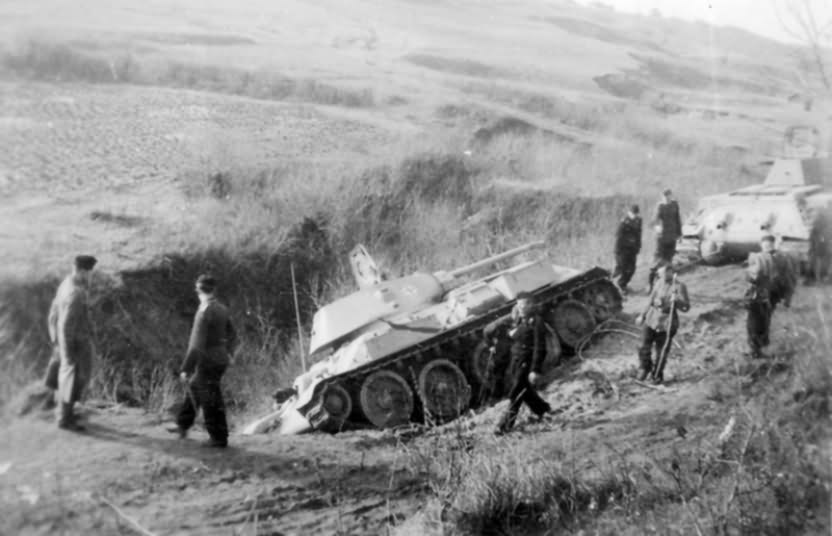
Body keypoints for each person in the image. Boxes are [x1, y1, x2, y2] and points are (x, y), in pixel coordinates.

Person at [168, 274, 236, 448]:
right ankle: (182, 425)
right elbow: (233, 335)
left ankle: (219, 438)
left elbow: (196, 346)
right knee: (195, 387)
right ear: (214, 290)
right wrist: (230, 353)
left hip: (208, 361)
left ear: (199, 291)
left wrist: (186, 368)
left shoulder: (203, 312)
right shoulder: (222, 308)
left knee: (210, 399)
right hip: (220, 359)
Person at [483, 291, 551, 435]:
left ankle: (504, 426)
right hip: (516, 362)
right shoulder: (519, 320)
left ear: (532, 305)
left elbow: (540, 347)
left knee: (516, 393)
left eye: (525, 304)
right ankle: (542, 409)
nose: (521, 307)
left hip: (525, 362)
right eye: (519, 305)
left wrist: (535, 369)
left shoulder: (537, 321)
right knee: (524, 390)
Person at [47, 254, 97, 431]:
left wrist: (55, 340)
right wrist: (68, 354)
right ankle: (64, 419)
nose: (91, 276)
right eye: (90, 272)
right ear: (83, 271)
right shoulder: (75, 294)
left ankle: (63, 413)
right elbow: (67, 326)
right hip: (74, 344)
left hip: (63, 341)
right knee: (74, 379)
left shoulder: (66, 283)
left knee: (66, 378)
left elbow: (53, 313)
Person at [637, 265, 690, 384]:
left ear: (671, 272)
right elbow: (650, 301)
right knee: (643, 345)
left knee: (662, 351)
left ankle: (657, 375)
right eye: (660, 274)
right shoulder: (658, 283)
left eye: (663, 273)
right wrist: (642, 315)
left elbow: (686, 307)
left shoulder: (680, 286)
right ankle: (645, 368)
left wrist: (677, 300)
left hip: (667, 323)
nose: (661, 276)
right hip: (652, 319)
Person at [745, 235, 776, 359]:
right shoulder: (773, 257)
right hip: (766, 295)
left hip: (757, 296)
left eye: (767, 244)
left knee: (754, 323)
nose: (766, 246)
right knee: (762, 322)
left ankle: (756, 351)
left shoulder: (759, 257)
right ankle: (758, 349)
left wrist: (748, 273)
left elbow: (754, 277)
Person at [648, 189, 683, 292]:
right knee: (658, 261)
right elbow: (654, 222)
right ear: (662, 197)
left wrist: (680, 234)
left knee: (669, 261)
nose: (667, 198)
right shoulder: (660, 206)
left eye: (668, 196)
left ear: (671, 196)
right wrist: (656, 227)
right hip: (661, 239)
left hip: (672, 237)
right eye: (664, 196)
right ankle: (650, 284)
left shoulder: (675, 205)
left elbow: (677, 219)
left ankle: (665, 284)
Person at [612, 204, 642, 295]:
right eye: (633, 213)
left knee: (632, 269)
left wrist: (638, 247)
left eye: (636, 213)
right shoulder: (624, 222)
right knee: (622, 269)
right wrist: (618, 252)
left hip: (632, 250)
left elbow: (639, 235)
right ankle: (618, 286)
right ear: (629, 213)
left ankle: (623, 285)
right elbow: (618, 236)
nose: (635, 215)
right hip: (622, 250)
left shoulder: (639, 220)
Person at [807, 209, 831, 284]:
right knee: (821, 262)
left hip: (821, 246)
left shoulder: (820, 224)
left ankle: (820, 278)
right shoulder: (824, 224)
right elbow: (812, 236)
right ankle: (820, 277)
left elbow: (812, 236)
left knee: (820, 262)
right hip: (821, 246)